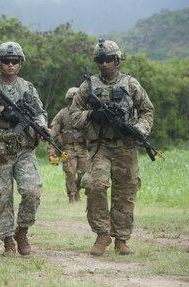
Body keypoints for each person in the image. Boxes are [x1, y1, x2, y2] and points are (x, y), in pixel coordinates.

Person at [69, 39, 154, 256]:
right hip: (101, 146)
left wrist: (138, 129)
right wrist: (91, 114)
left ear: (117, 60)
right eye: (100, 60)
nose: (104, 64)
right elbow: (73, 115)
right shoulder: (88, 86)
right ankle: (102, 234)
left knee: (125, 193)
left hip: (126, 146)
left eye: (108, 59)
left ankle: (121, 239)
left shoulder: (130, 84)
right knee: (94, 185)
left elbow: (147, 111)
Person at [0, 41, 46, 257]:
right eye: (6, 61)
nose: (10, 65)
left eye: (14, 61)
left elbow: (40, 112)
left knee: (32, 191)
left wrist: (41, 126)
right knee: (2, 197)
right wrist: (0, 111)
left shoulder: (28, 88)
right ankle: (8, 242)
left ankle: (22, 231)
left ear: (20, 63)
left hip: (23, 150)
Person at [47, 87, 87, 203]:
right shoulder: (62, 114)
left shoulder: (85, 113)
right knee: (69, 173)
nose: (73, 102)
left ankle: (77, 190)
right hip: (67, 149)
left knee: (83, 174)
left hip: (83, 149)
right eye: (71, 99)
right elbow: (53, 134)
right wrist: (52, 153)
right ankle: (72, 195)